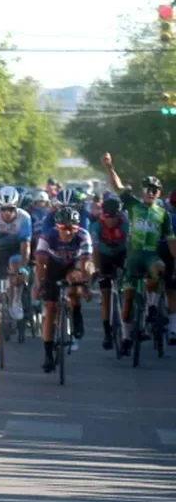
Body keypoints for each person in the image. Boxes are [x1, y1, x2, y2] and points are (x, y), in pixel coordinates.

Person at [101, 153, 176, 354]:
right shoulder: (133, 205)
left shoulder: (164, 215)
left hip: (150, 255)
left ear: (159, 193)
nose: (151, 193)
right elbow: (117, 187)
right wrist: (109, 167)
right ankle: (126, 336)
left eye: (155, 190)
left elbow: (171, 241)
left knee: (159, 270)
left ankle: (152, 307)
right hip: (133, 257)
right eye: (148, 190)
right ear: (142, 191)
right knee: (127, 302)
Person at [34, 207, 93, 371]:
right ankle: (47, 355)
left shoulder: (83, 235)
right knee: (50, 308)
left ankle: (76, 313)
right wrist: (40, 286)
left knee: (75, 282)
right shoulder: (48, 236)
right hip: (53, 265)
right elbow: (40, 264)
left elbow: (86, 264)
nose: (67, 232)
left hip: (73, 265)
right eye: (63, 228)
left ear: (77, 227)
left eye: (71, 228)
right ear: (57, 226)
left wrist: (85, 286)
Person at [0, 186, 32, 321]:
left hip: (16, 249)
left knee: (16, 266)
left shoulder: (24, 217)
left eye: (11, 209)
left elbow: (25, 245)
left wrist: (23, 267)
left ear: (16, 206)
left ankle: (16, 300)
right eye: (3, 209)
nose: (7, 213)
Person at [90, 196, 128, 349]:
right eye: (107, 217)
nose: (111, 220)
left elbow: (130, 248)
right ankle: (107, 333)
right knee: (105, 294)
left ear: (120, 215)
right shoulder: (96, 226)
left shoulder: (126, 224)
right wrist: (97, 270)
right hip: (104, 257)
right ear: (102, 215)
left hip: (122, 255)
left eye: (114, 217)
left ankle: (128, 329)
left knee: (127, 290)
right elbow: (95, 250)